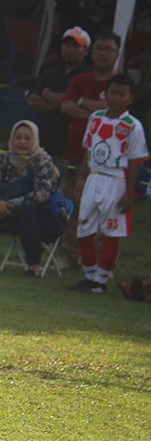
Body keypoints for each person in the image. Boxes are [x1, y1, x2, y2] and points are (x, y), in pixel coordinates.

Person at [69, 74, 148, 293]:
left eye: (121, 94)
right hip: (94, 177)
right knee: (84, 229)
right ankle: (90, 274)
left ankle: (102, 279)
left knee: (110, 232)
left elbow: (134, 162)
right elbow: (87, 150)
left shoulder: (133, 126)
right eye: (112, 93)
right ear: (106, 94)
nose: (115, 98)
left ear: (130, 98)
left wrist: (129, 192)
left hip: (115, 181)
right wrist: (81, 179)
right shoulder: (95, 118)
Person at [0, 121, 66, 278]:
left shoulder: (44, 162)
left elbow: (41, 195)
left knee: (28, 210)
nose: (22, 142)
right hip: (6, 213)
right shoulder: (5, 159)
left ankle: (34, 267)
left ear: (35, 140)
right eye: (18, 137)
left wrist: (8, 205)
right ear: (12, 139)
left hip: (44, 218)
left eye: (27, 138)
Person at [58, 32, 121, 264]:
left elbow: (117, 109)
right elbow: (65, 106)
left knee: (102, 213)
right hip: (75, 154)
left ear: (117, 54)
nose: (103, 53)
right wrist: (98, 113)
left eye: (108, 49)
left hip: (107, 165)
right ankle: (68, 253)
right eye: (99, 48)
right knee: (72, 207)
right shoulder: (80, 80)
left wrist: (83, 104)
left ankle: (97, 261)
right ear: (91, 53)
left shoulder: (120, 82)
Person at [27, 26, 90, 159]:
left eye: (75, 46)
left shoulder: (87, 77)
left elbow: (70, 103)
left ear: (86, 50)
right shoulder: (50, 72)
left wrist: (47, 95)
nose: (69, 49)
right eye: (66, 45)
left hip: (68, 143)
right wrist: (63, 104)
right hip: (42, 140)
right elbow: (32, 100)